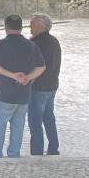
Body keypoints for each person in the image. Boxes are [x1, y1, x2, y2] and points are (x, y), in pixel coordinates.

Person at [0, 14, 46, 159]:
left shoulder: (0, 45)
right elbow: (42, 67)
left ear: (6, 27)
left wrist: (12, 75)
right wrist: (27, 77)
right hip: (23, 95)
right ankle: (14, 154)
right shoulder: (31, 45)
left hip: (3, 94)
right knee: (18, 127)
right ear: (21, 27)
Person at [27, 13, 62, 156]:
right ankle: (53, 148)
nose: (30, 26)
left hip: (38, 87)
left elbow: (33, 66)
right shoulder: (54, 41)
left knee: (35, 121)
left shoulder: (35, 43)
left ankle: (37, 151)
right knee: (48, 118)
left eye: (32, 24)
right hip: (52, 85)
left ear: (39, 26)